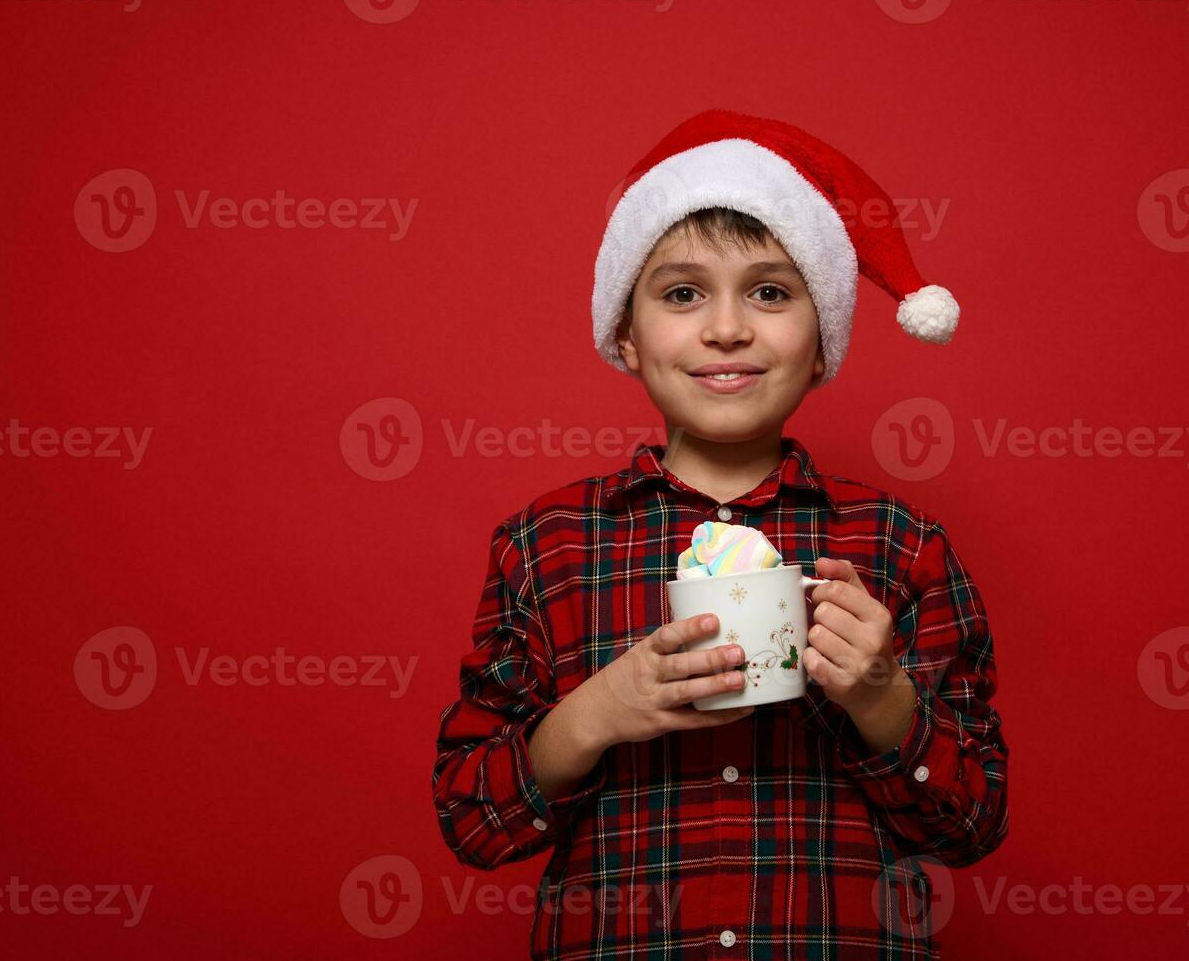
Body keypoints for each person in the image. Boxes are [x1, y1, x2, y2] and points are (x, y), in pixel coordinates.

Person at [432, 109, 1008, 959]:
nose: (727, 328)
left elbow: (973, 824)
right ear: (625, 335)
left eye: (770, 292)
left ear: (823, 342)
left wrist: (881, 695)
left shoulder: (897, 544)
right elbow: (471, 819)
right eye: (681, 294)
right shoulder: (547, 546)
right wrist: (595, 712)